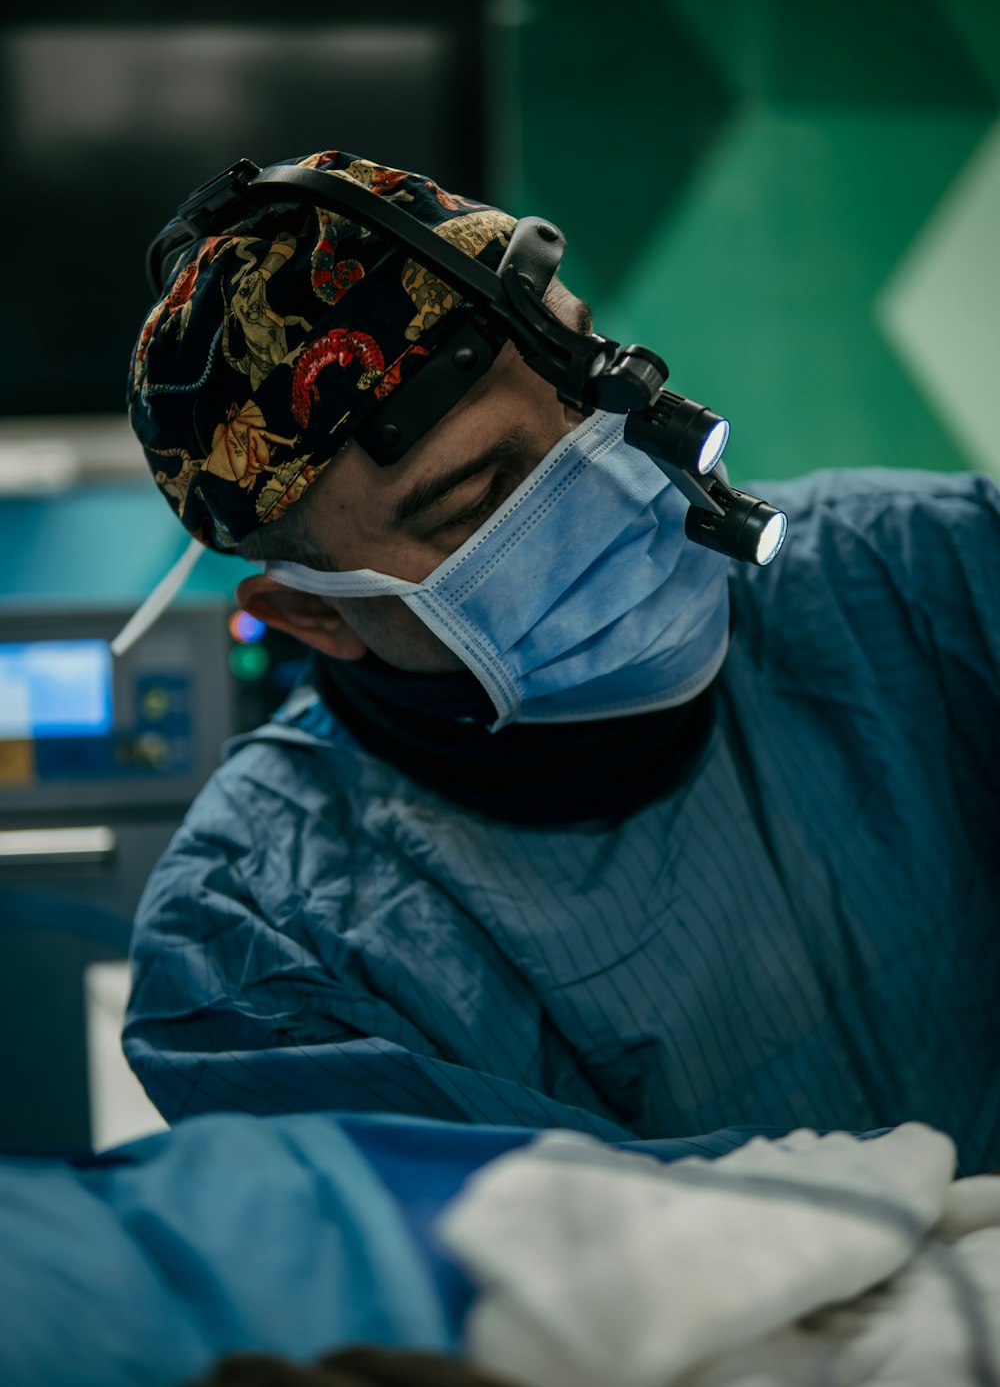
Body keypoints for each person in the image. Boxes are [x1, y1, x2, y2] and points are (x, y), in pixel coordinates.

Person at [122, 146, 1000, 1173]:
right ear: (314, 616)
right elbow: (591, 1298)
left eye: (590, 390)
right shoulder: (263, 958)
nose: (613, 489)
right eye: (480, 499)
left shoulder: (921, 579)